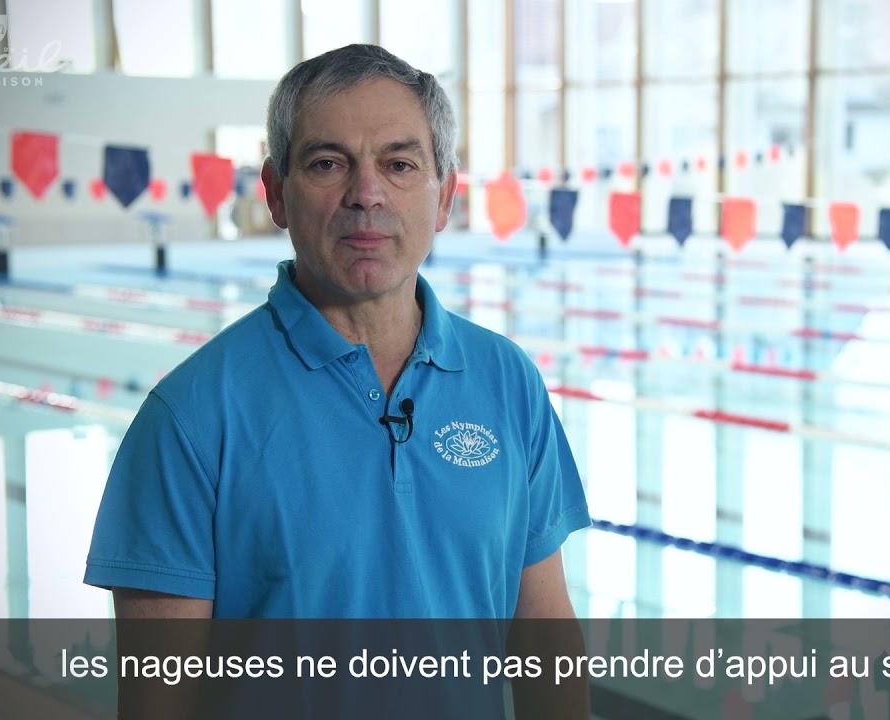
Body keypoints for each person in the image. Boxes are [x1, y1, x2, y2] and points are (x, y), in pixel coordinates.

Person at [83, 44, 590, 629]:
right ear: (276, 192)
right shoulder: (190, 416)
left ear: (446, 196)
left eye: (400, 165)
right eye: (328, 163)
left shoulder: (509, 380)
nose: (366, 193)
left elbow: (546, 638)